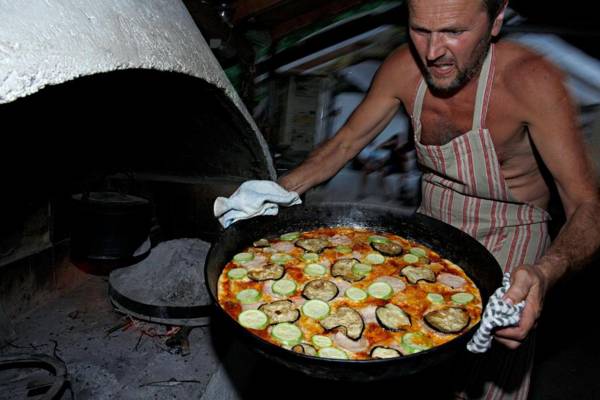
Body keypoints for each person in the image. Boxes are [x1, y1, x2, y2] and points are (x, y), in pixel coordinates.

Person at [270, 0, 600, 398]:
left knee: (485, 383)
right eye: (420, 31)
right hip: (429, 232)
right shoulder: (402, 68)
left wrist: (545, 274)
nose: (433, 53)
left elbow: (587, 205)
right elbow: (343, 145)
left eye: (454, 33)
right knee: (401, 356)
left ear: (496, 20)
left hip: (510, 243)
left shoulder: (531, 81)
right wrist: (274, 192)